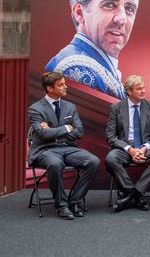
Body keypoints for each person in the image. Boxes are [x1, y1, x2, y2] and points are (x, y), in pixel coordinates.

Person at [45, 0, 144, 100]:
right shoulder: (77, 69)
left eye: (130, 8)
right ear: (79, 12)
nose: (121, 18)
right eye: (109, 5)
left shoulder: (97, 64)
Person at [28, 72, 100, 220]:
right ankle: (61, 206)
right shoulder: (35, 109)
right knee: (55, 163)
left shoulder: (70, 106)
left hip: (68, 147)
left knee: (93, 161)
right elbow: (43, 135)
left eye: (64, 83)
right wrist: (67, 128)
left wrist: (52, 131)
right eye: (60, 85)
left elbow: (79, 132)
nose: (65, 87)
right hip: (44, 149)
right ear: (49, 88)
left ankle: (74, 201)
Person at [105, 75, 150, 212]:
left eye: (143, 88)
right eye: (139, 89)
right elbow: (110, 136)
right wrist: (129, 149)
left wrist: (144, 148)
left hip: (145, 147)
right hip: (124, 148)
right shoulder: (116, 108)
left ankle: (132, 195)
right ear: (129, 91)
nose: (143, 91)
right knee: (111, 159)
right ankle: (135, 196)